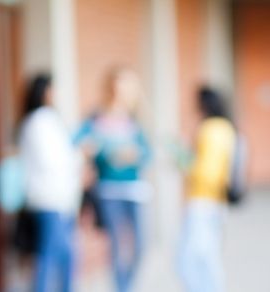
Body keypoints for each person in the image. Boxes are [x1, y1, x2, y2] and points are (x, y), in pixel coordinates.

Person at [75, 67, 153, 292]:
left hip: (135, 189)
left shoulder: (135, 119)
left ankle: (127, 286)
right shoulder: (96, 119)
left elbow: (147, 153)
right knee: (118, 247)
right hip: (109, 190)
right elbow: (78, 142)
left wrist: (135, 155)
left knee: (140, 247)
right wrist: (97, 151)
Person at [18, 74, 83, 292]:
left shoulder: (47, 120)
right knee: (52, 256)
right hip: (49, 198)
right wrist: (77, 158)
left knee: (63, 256)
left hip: (61, 198)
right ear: (45, 91)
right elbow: (51, 161)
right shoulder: (39, 121)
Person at [178, 87, 236, 292]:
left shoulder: (209, 129)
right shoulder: (226, 127)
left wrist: (183, 161)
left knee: (190, 261)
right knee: (208, 258)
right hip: (217, 202)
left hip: (202, 201)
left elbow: (206, 172)